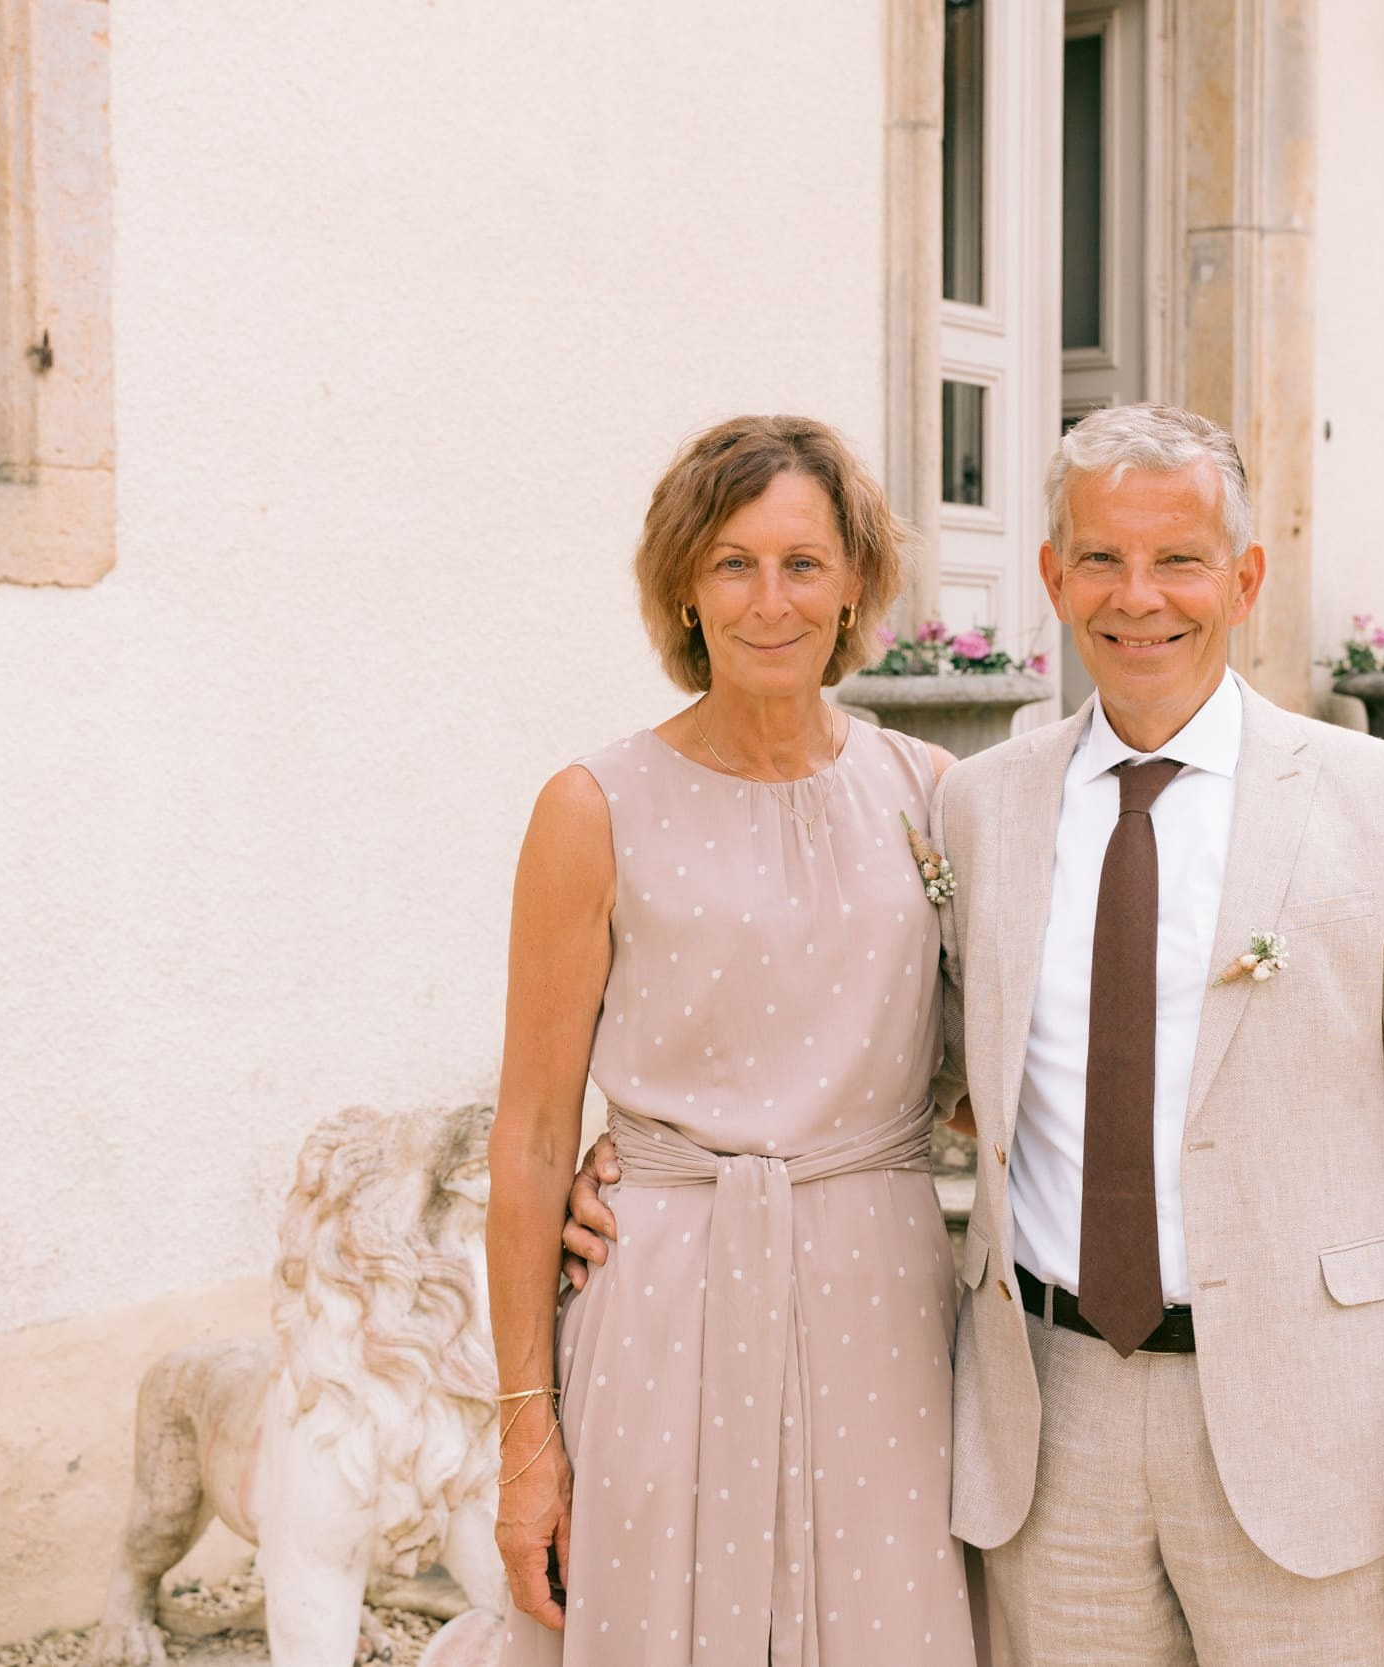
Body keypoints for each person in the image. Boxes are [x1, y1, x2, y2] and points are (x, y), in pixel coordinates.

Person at [936, 403, 1384, 1664]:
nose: (1137, 596)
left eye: (1179, 559)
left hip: (1306, 1424)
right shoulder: (979, 807)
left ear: (1245, 578)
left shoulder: (1380, 802)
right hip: (1050, 1420)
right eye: (1099, 557)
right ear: (1051, 576)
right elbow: (928, 1070)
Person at [485, 413, 978, 1666]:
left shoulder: (931, 795)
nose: (771, 599)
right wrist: (526, 1434)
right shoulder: (591, 807)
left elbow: (992, 1078)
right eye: (733, 563)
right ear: (684, 589)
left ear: (856, 580)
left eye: (803, 562)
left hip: (884, 1305)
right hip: (660, 1294)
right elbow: (535, 1133)